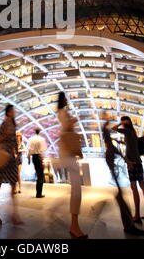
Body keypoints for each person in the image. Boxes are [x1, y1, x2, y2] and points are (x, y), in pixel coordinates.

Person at [102, 113, 144, 236]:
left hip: (132, 163)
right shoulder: (129, 133)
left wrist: (126, 160)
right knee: (125, 192)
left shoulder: (128, 132)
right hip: (132, 163)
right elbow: (112, 143)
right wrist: (125, 158)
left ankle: (131, 220)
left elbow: (112, 136)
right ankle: (130, 223)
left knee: (127, 191)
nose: (108, 118)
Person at [112, 116, 144, 224]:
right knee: (142, 186)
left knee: (134, 188)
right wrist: (122, 143)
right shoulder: (132, 132)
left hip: (132, 164)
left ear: (126, 122)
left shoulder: (126, 130)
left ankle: (137, 215)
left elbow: (113, 128)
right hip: (138, 162)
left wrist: (121, 123)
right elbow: (132, 145)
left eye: (124, 121)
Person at [57, 92, 87, 239]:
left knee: (76, 187)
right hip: (67, 153)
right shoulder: (62, 112)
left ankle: (74, 225)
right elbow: (66, 128)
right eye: (65, 98)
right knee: (76, 188)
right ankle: (74, 226)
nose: (67, 100)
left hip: (68, 152)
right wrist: (75, 119)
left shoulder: (63, 112)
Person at [0, 104, 22, 225]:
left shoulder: (13, 124)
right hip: (3, 155)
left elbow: (14, 140)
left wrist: (16, 152)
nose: (14, 112)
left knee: (13, 183)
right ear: (8, 112)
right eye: (12, 110)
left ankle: (14, 213)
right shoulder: (4, 124)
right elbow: (0, 138)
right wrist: (4, 136)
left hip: (11, 157)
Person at [27, 128, 47, 198]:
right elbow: (43, 150)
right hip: (39, 157)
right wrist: (43, 159)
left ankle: (38, 193)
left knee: (38, 174)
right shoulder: (41, 139)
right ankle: (39, 193)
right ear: (39, 132)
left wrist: (28, 159)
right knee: (40, 176)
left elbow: (29, 149)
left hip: (34, 158)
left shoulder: (31, 139)